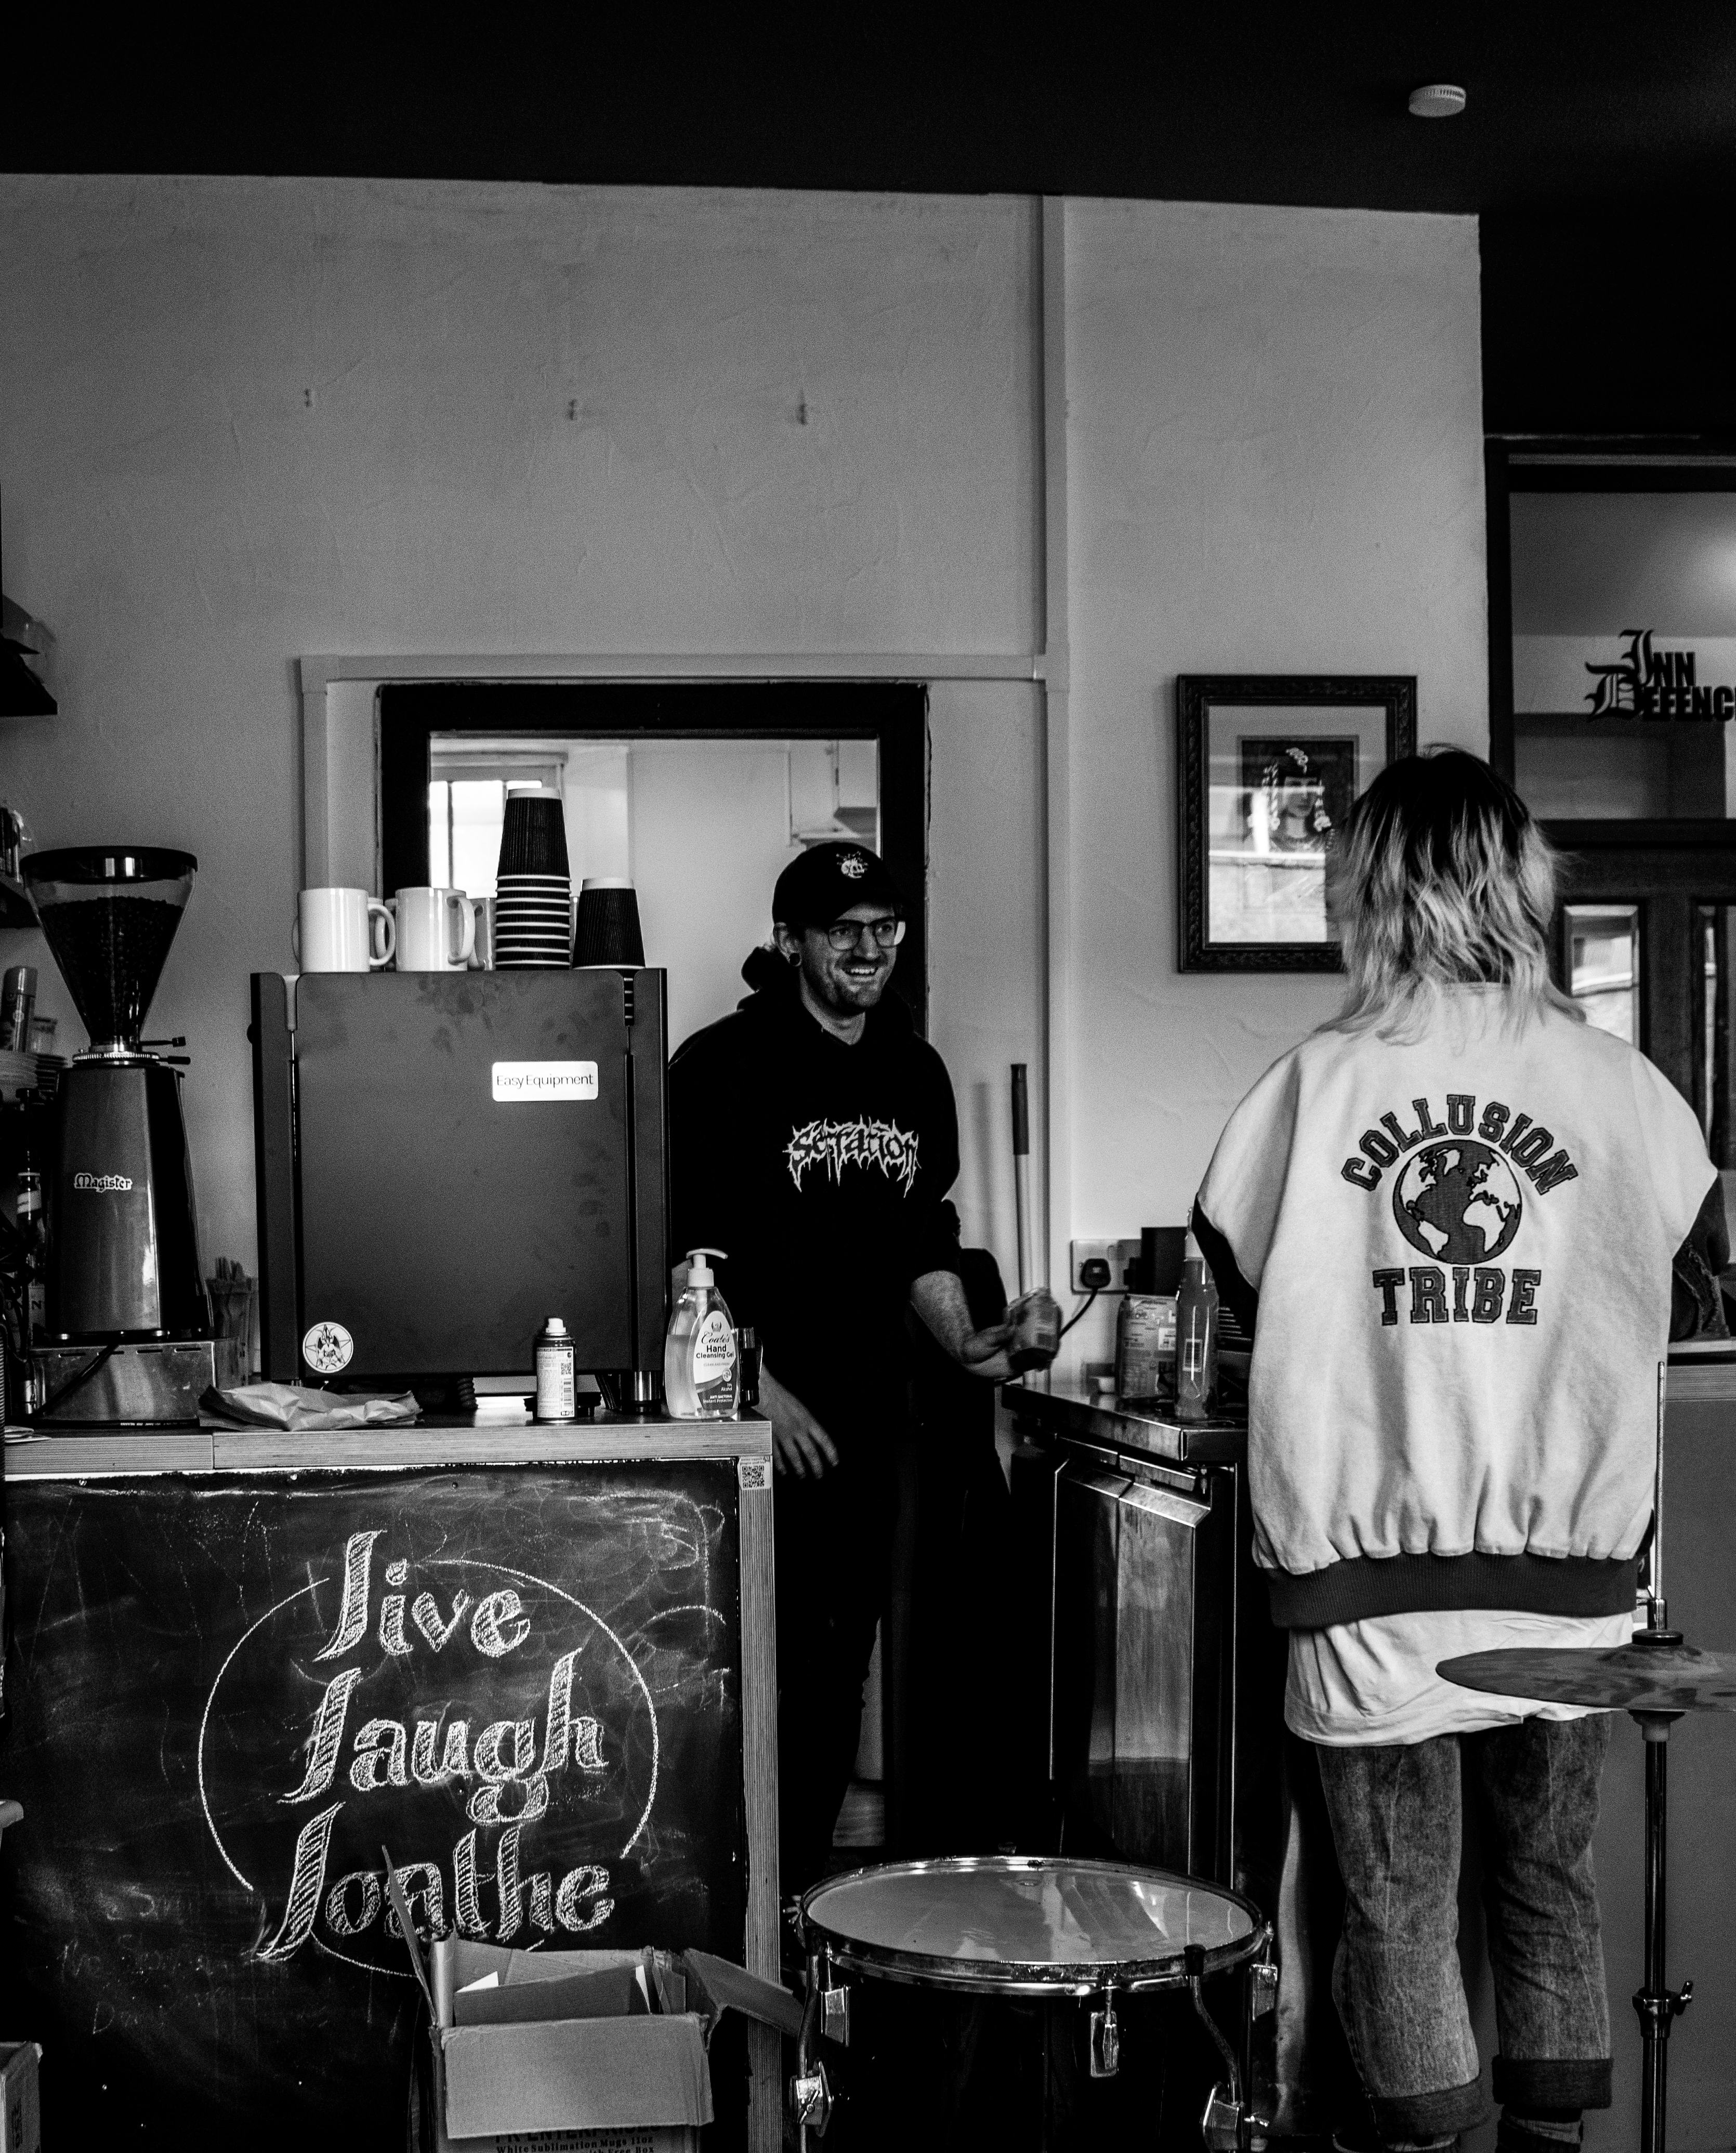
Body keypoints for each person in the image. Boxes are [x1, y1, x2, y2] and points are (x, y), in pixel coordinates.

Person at [1193, 751, 1725, 2153]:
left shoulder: (1312, 1089)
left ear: (1365, 890)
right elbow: (1683, 1251)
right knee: (1550, 1883)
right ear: (1523, 876)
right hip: (1569, 1577)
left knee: (1393, 1906)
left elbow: (1239, 1261)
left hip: (1368, 1585)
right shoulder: (1624, 1088)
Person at [667, 841, 1056, 1898]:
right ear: (789, 940)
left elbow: (919, 1242)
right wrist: (751, 1388)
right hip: (755, 1423)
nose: (868, 949)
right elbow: (686, 1250)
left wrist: (969, 1340)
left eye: (884, 928)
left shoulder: (909, 1068)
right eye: (843, 931)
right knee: (748, 1675)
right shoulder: (721, 1066)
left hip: (867, 1419)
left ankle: (798, 1915)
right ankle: (730, 1910)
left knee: (836, 1678)